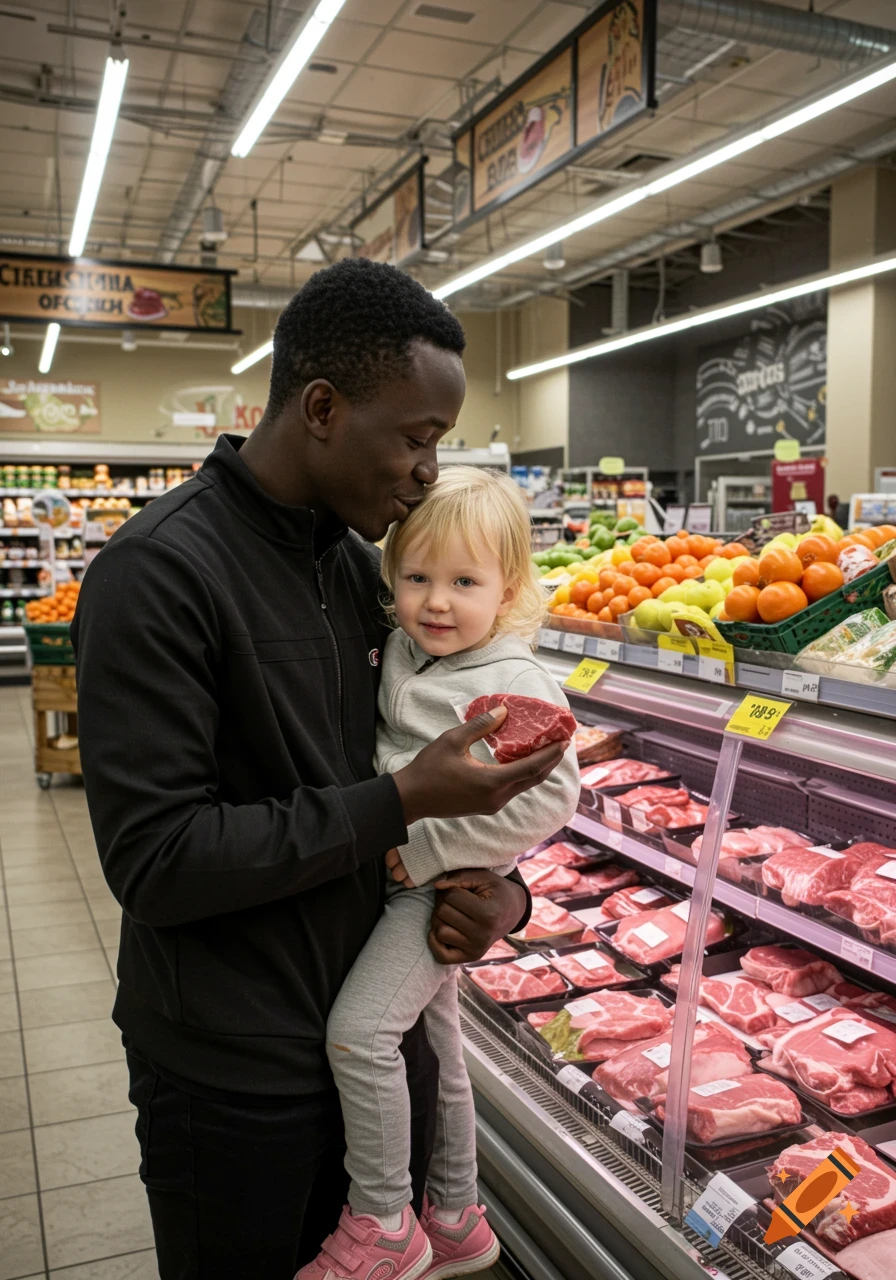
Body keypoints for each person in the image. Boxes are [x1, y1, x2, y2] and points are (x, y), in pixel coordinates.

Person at [71, 258, 567, 1280]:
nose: (429, 470)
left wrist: (499, 893)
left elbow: (409, 768)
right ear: (324, 407)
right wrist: (400, 804)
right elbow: (156, 858)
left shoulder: (359, 572)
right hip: (234, 1072)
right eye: (417, 437)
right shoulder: (157, 572)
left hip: (380, 1049)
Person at [300, 468, 580, 1280]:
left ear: (509, 588)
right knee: (441, 1044)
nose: (436, 601)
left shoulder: (511, 682)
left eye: (464, 581)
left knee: (360, 1035)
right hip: (407, 882)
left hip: (432, 892)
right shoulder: (415, 654)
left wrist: (423, 847)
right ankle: (455, 1212)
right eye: (416, 578)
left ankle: (384, 1221)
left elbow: (557, 795)